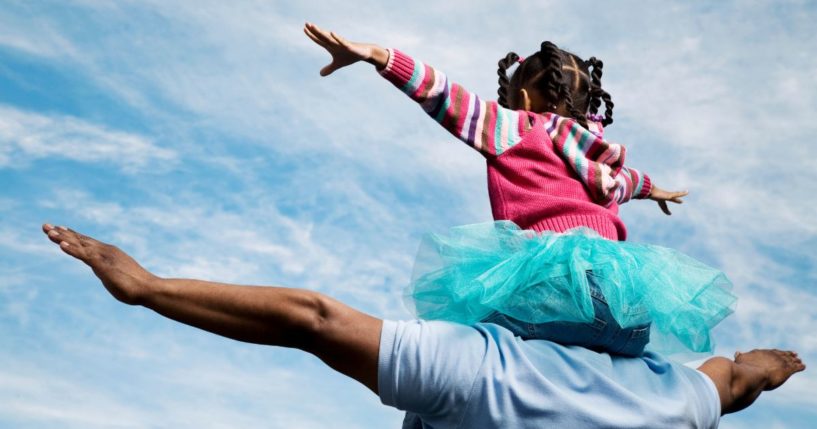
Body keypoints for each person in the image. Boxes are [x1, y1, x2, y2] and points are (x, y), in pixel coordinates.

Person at [41, 224, 804, 428]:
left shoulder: (486, 365)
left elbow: (311, 318)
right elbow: (733, 379)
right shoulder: (670, 395)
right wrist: (773, 363)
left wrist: (147, 288)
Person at [303, 23, 736, 358]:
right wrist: (656, 190)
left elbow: (443, 95)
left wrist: (379, 55)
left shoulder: (520, 128)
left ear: (524, 100)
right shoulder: (601, 157)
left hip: (554, 290)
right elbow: (631, 182)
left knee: (455, 355)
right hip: (627, 305)